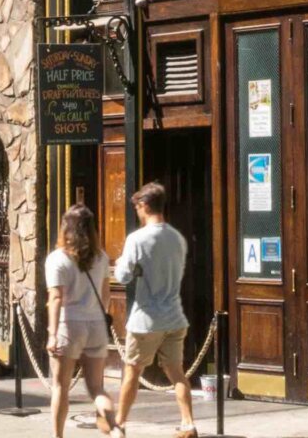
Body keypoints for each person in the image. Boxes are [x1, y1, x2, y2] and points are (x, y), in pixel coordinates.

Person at [112, 182, 197, 438]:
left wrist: (124, 265)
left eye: (138, 206)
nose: (137, 211)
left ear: (145, 205)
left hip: (146, 319)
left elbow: (124, 276)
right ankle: (188, 423)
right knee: (177, 373)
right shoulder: (177, 238)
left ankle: (119, 425)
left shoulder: (137, 239)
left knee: (132, 372)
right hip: (174, 315)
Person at [45, 203, 115, 438]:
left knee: (60, 387)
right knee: (97, 388)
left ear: (66, 228)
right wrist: (97, 313)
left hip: (69, 325)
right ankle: (115, 431)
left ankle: (58, 436)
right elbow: (106, 294)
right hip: (96, 324)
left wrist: (52, 334)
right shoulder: (101, 257)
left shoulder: (57, 259)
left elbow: (56, 298)